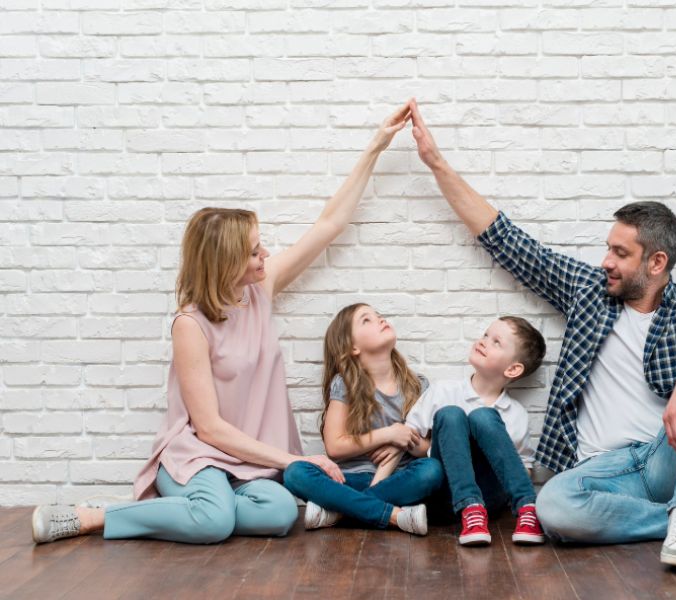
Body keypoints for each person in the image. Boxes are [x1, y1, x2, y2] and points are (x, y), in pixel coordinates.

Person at [408, 99, 676, 570]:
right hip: (600, 473)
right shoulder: (589, 292)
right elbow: (508, 240)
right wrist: (437, 164)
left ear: (656, 263)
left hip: (666, 458)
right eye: (607, 248)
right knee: (553, 508)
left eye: (620, 253)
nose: (606, 261)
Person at [31, 102, 413, 545]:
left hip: (252, 460)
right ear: (225, 261)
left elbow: (329, 224)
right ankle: (98, 516)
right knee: (214, 523)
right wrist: (292, 461)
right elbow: (209, 427)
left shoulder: (260, 289)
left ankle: (202, 510)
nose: (265, 256)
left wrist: (375, 147)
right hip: (201, 456)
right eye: (254, 251)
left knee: (278, 513)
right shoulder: (190, 325)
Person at [283, 304, 444, 535]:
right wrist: (389, 433)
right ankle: (394, 516)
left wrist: (407, 439)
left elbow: (427, 449)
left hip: (398, 481)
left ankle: (340, 513)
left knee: (431, 470)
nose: (380, 319)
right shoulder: (345, 384)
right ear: (352, 347)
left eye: (378, 315)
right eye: (366, 320)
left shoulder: (418, 385)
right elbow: (335, 447)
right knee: (295, 472)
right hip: (351, 480)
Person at [403, 316, 547, 547]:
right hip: (446, 496)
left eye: (496, 342)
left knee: (483, 416)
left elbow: (525, 468)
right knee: (451, 414)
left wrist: (498, 457)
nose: (484, 341)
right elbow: (409, 436)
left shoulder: (516, 413)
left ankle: (527, 509)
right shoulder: (443, 391)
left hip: (490, 498)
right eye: (485, 335)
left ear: (512, 369)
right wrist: (442, 447)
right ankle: (470, 507)